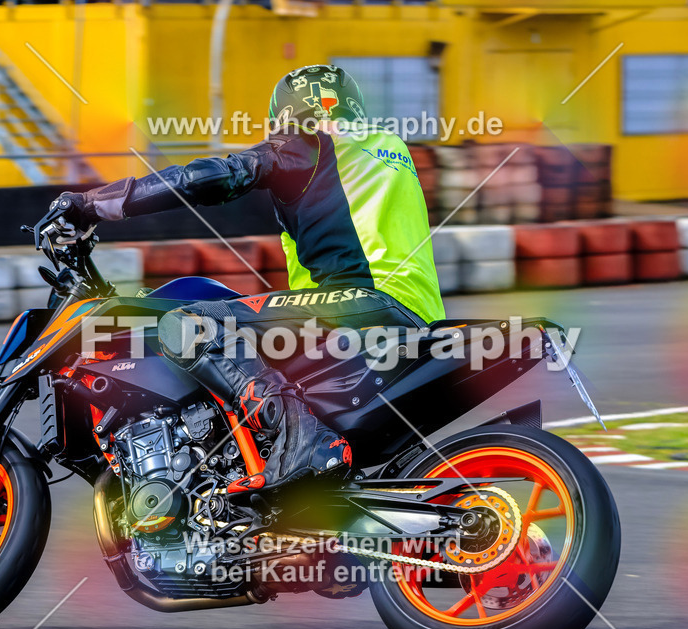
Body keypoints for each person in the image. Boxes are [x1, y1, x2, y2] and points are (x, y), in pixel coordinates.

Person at [53, 64, 444, 499]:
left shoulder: (309, 145)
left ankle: (299, 435)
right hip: (409, 317)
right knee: (242, 325)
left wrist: (94, 205)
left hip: (359, 307)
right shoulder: (389, 147)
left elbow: (209, 178)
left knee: (189, 323)